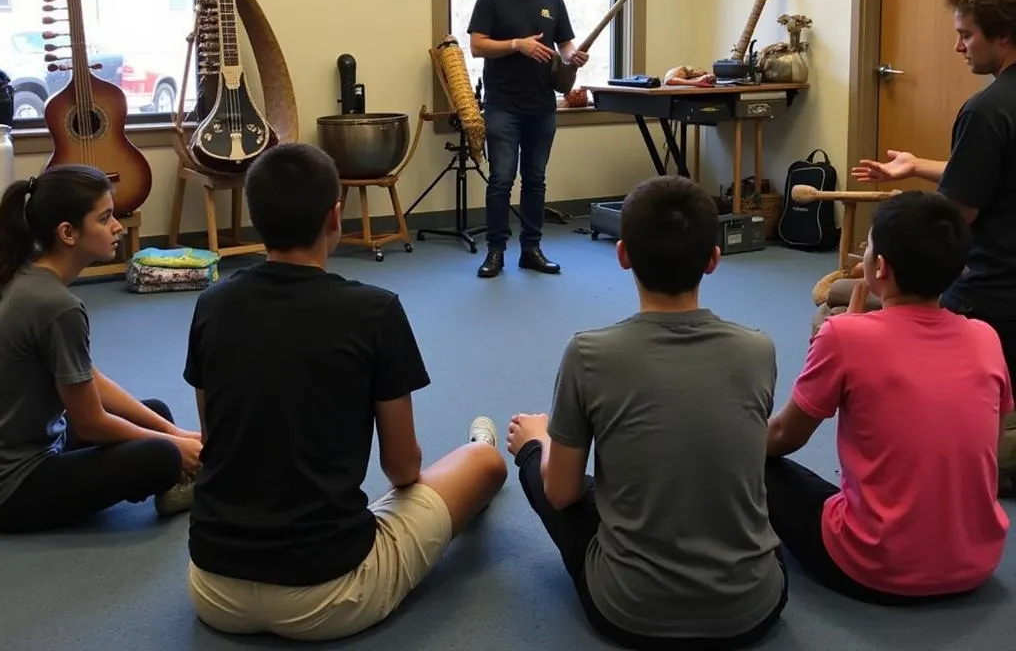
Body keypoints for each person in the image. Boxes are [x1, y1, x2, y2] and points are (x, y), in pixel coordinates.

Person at [184, 142, 507, 642]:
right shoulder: (374, 311)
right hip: (328, 596)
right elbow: (402, 471)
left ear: (254, 215)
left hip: (211, 587)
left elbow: (214, 438)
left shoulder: (212, 303)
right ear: (335, 216)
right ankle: (478, 444)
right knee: (485, 465)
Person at [506, 175, 787, 649]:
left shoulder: (589, 354)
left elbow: (562, 493)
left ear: (622, 254)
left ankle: (532, 446)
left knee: (537, 459)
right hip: (754, 608)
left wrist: (540, 442)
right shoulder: (759, 349)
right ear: (714, 260)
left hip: (627, 611)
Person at [766, 192, 1012, 603]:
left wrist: (733, 442)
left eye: (868, 246)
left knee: (759, 465)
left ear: (879, 267)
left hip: (871, 568)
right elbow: (991, 441)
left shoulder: (844, 335)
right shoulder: (986, 337)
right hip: (977, 563)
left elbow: (784, 437)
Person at [852, 0, 1016, 481]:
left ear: (1004, 35)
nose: (959, 46)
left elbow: (953, 219)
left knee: (848, 307)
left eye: (966, 35)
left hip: (989, 294)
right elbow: (994, 175)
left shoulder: (988, 109)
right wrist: (919, 166)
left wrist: (877, 256)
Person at [0, 165, 199, 534]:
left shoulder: (21, 273)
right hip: (10, 489)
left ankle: (176, 459)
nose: (118, 226)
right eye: (105, 218)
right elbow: (91, 422)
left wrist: (174, 431)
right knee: (160, 456)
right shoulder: (57, 305)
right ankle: (177, 473)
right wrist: (172, 444)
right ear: (68, 233)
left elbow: (87, 377)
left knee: (155, 413)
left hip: (30, 439)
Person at [467, 0, 589, 278]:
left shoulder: (553, 0)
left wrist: (573, 57)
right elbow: (477, 46)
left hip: (542, 106)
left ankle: (531, 249)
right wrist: (517, 44)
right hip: (503, 106)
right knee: (501, 180)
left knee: (535, 180)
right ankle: (495, 252)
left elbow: (564, 45)